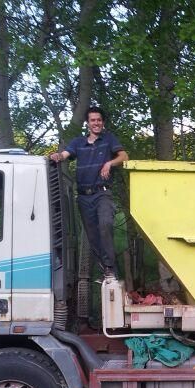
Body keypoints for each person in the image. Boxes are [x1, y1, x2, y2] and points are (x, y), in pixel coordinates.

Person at [50, 106, 128, 279]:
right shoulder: (78, 142)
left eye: (99, 120)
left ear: (103, 122)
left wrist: (109, 163)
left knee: (106, 224)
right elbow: (64, 154)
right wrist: (57, 156)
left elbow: (124, 156)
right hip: (84, 196)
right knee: (92, 236)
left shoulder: (108, 139)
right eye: (93, 120)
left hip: (102, 193)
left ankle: (110, 267)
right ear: (88, 123)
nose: (96, 123)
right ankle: (105, 268)